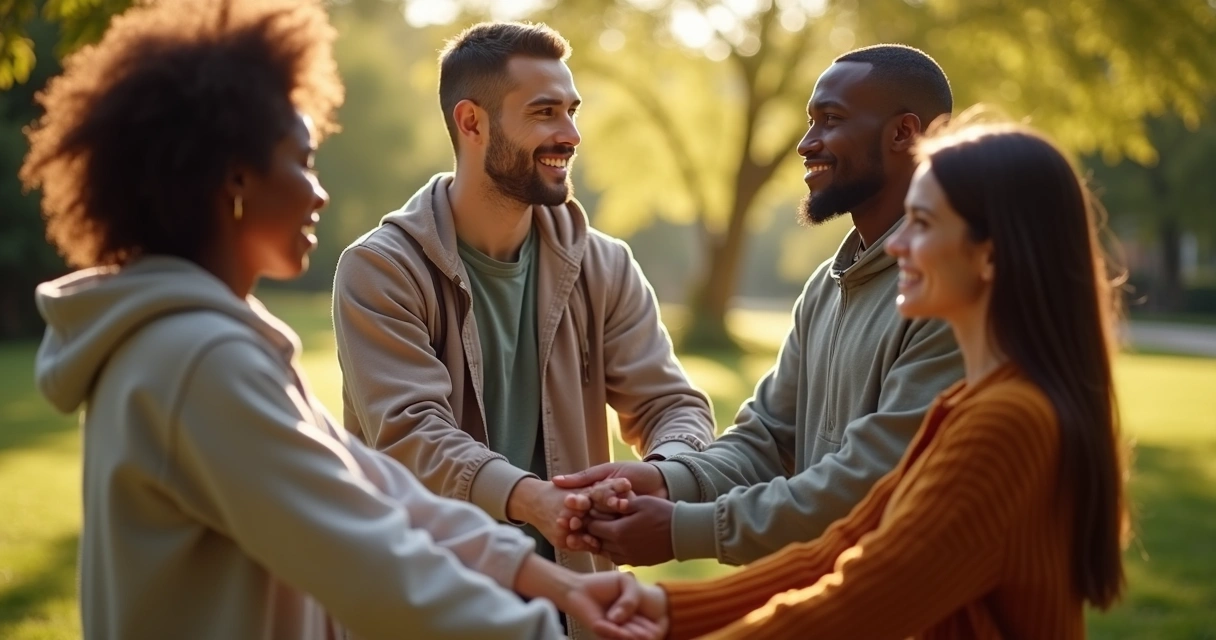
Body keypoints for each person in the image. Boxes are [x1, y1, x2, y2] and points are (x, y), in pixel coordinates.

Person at [21, 1, 664, 638]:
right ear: (237, 179)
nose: (319, 192)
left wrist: (562, 585)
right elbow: (370, 558)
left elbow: (377, 487)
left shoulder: (209, 342)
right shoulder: (199, 360)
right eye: (302, 161)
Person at [625, 119, 1131, 639]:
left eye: (922, 223)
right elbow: (839, 550)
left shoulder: (1007, 423)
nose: (895, 245)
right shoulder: (969, 404)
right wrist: (661, 608)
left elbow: (862, 601)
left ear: (989, 254)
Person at [330, 19, 715, 590]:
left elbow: (671, 405)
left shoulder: (604, 265)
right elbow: (413, 434)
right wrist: (534, 500)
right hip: (429, 603)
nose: (571, 134)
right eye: (544, 112)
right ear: (472, 123)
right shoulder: (381, 269)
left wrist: (658, 475)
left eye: (572, 111)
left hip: (577, 604)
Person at [555, 44, 965, 567]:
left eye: (831, 120)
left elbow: (874, 483)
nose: (806, 144)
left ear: (905, 133)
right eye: (810, 121)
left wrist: (684, 530)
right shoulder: (826, 286)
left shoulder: (949, 292)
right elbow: (766, 439)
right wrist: (665, 480)